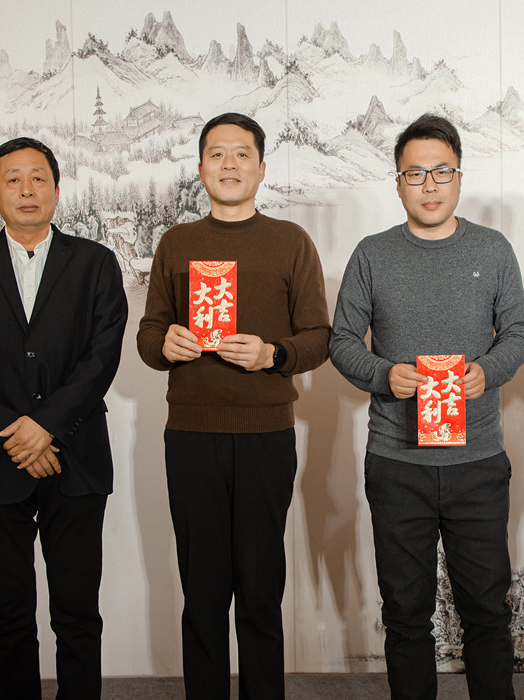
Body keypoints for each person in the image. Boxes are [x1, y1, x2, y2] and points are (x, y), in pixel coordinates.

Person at [330, 114, 524, 699]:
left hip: (478, 460)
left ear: (459, 177)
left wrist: (485, 373)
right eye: (415, 173)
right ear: (398, 183)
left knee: (487, 610)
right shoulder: (372, 254)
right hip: (397, 462)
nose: (429, 184)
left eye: (441, 171)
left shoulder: (493, 250)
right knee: (405, 613)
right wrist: (384, 375)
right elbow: (341, 340)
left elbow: (517, 334)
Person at [136, 112, 330, 700]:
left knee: (260, 588)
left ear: (261, 168)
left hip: (266, 436)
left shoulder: (291, 242)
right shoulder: (177, 243)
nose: (229, 164)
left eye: (242, 153)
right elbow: (148, 335)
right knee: (202, 590)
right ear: (200, 169)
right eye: (217, 153)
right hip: (191, 436)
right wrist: (165, 344)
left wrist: (273, 354)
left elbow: (318, 338)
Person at [0, 137, 128, 699]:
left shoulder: (95, 263)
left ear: (57, 191)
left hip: (76, 457)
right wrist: (15, 436)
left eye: (38, 178)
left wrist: (46, 427)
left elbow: (102, 356)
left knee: (77, 612)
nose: (26, 189)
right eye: (12, 179)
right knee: (7, 615)